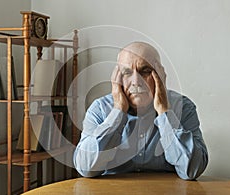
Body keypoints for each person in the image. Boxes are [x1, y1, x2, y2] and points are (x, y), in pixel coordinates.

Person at [73, 42, 208, 180]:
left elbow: (192, 169)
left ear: (160, 74)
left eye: (145, 71)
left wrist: (164, 111)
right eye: (126, 72)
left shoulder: (184, 107)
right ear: (116, 78)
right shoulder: (100, 109)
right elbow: (86, 168)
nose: (136, 81)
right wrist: (118, 111)